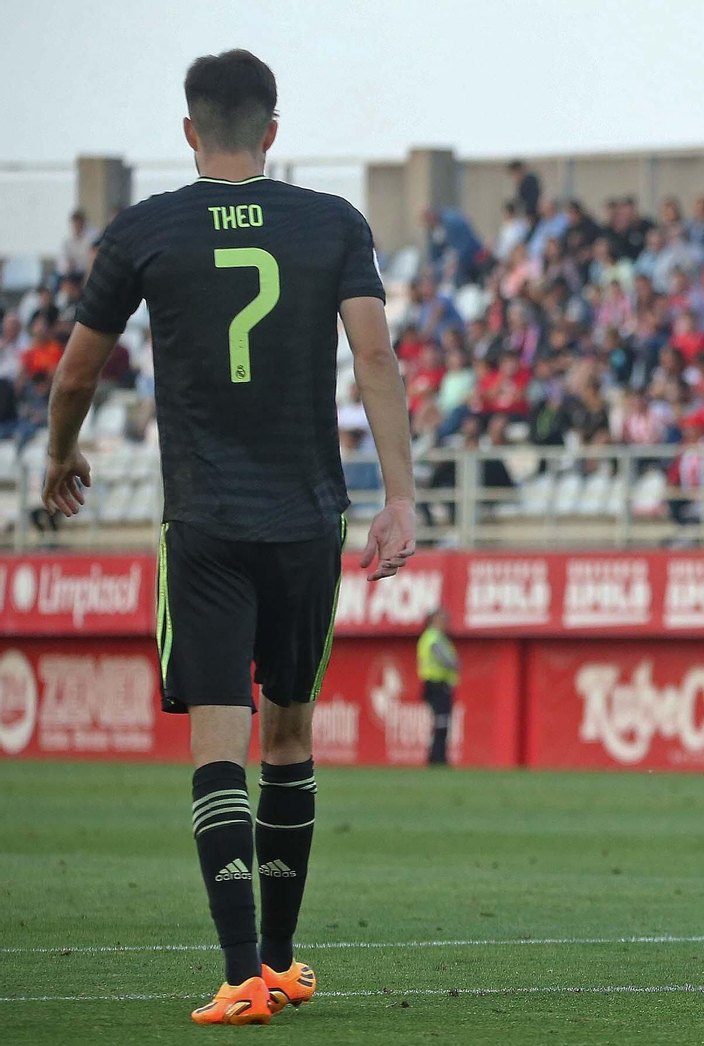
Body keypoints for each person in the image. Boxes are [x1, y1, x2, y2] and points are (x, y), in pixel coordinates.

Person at [40, 50, 417, 1026]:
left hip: (206, 518)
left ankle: (242, 970)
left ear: (189, 131)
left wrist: (59, 454)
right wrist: (400, 497)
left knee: (220, 735)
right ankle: (285, 961)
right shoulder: (332, 224)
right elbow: (375, 356)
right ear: (274, 133)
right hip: (307, 515)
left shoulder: (145, 229)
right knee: (289, 734)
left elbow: (77, 373)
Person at [416, 608, 461, 766]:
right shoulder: (433, 638)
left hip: (436, 684)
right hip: (437, 684)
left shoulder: (434, 637)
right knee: (441, 723)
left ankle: (438, 756)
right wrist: (454, 665)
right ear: (434, 621)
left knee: (440, 723)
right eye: (443, 619)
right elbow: (444, 659)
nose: (446, 623)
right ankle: (437, 758)